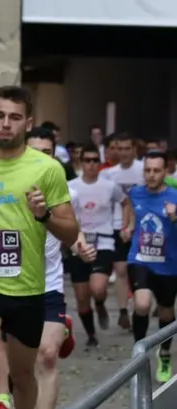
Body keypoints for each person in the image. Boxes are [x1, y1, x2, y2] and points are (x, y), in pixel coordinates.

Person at [0, 86, 78, 409]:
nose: (6, 124)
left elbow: (70, 232)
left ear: (28, 122)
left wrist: (44, 216)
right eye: (0, 116)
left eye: (14, 117)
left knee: (23, 375)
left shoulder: (48, 169)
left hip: (27, 286)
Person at [0, 129, 91, 409]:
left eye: (46, 152)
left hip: (46, 286)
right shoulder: (0, 186)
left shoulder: (65, 190)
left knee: (46, 357)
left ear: (54, 155)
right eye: (33, 150)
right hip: (6, 282)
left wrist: (80, 246)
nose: (39, 157)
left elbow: (73, 229)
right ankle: (3, 400)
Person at [67, 143, 132, 344]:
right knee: (81, 298)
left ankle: (101, 303)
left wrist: (126, 226)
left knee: (98, 288)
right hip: (78, 243)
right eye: (88, 160)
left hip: (103, 242)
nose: (92, 164)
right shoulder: (71, 186)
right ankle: (91, 335)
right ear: (80, 162)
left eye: (96, 160)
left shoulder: (109, 186)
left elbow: (126, 203)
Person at [127, 152, 177, 383]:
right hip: (140, 260)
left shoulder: (174, 196)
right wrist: (127, 228)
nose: (151, 175)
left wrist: (174, 217)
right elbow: (130, 217)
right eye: (147, 170)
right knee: (142, 304)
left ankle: (165, 353)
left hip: (168, 265)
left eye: (156, 170)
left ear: (165, 171)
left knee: (166, 311)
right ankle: (139, 356)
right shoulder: (135, 193)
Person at [101, 134, 145, 331]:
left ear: (134, 150)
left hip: (142, 226)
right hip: (116, 226)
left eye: (128, 149)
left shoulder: (144, 169)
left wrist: (133, 225)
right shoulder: (109, 174)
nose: (124, 153)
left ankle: (138, 308)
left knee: (137, 270)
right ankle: (122, 311)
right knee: (120, 270)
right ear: (115, 150)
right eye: (120, 148)